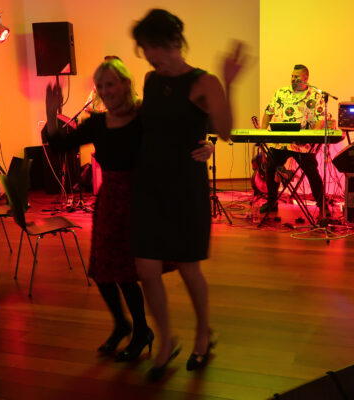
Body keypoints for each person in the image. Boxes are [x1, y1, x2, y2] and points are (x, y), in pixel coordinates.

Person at [44, 58, 215, 362]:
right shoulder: (97, 123)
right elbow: (59, 145)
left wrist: (207, 145)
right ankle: (122, 324)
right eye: (100, 86)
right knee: (102, 269)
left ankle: (142, 331)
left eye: (110, 84)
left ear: (125, 84)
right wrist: (51, 113)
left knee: (128, 270)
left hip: (143, 197)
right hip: (111, 199)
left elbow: (181, 130)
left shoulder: (144, 117)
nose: (105, 91)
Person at [130, 8, 243, 380]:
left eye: (156, 48)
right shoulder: (150, 80)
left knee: (189, 268)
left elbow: (224, 130)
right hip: (149, 185)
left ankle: (202, 333)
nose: (152, 57)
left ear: (175, 42)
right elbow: (152, 127)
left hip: (184, 187)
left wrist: (229, 85)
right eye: (146, 50)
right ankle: (166, 340)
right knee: (146, 269)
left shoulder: (203, 81)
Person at [260, 65, 327, 215]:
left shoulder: (316, 96)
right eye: (292, 76)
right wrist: (262, 133)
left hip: (302, 144)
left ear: (305, 78)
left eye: (297, 77)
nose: (293, 79)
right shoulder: (281, 92)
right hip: (281, 142)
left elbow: (320, 120)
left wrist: (313, 137)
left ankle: (322, 206)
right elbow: (268, 113)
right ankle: (271, 203)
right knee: (270, 167)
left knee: (312, 171)